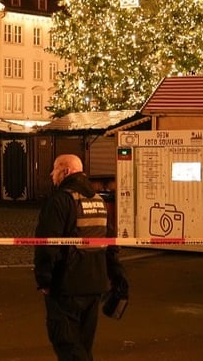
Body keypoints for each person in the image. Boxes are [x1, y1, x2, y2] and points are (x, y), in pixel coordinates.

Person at [34, 154, 128, 360]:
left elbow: (46, 245)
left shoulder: (60, 201)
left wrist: (44, 281)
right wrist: (117, 277)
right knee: (83, 345)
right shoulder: (99, 202)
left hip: (66, 286)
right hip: (95, 286)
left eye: (55, 169)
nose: (51, 174)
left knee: (66, 344)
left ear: (66, 171)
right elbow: (111, 246)